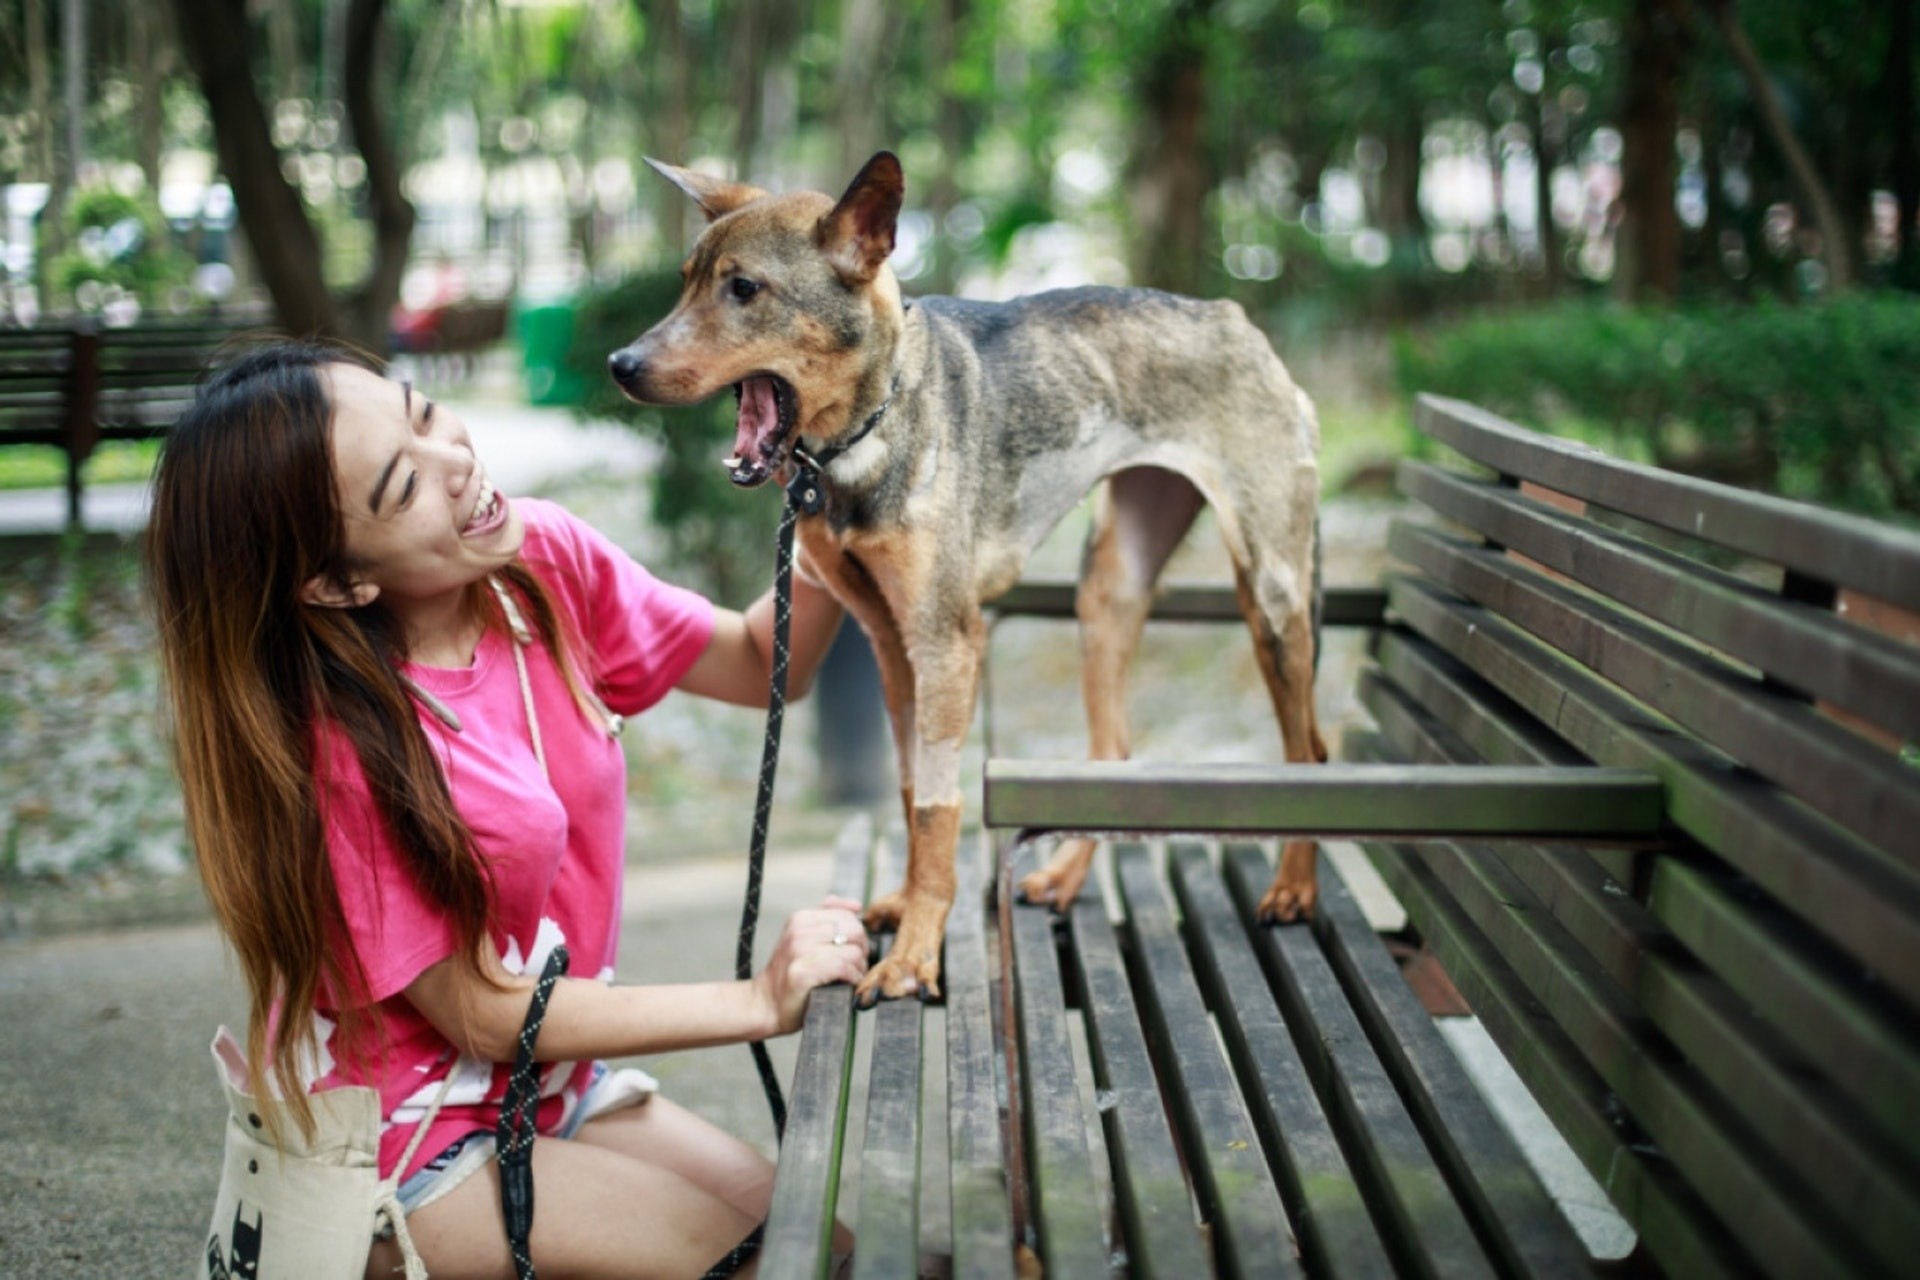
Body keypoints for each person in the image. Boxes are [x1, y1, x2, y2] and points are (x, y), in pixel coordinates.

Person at [149, 339, 863, 1279]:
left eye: (423, 413)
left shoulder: (540, 564)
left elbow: (758, 660)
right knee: (781, 1269)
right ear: (337, 581)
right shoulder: (338, 743)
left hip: (546, 1090)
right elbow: (484, 1016)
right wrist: (759, 1002)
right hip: (410, 1142)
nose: (453, 460)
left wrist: (842, 492)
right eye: (404, 484)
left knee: (838, 1254)